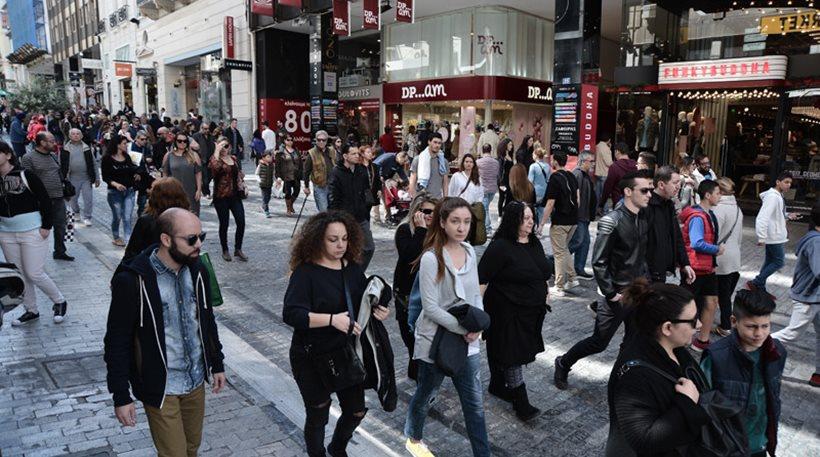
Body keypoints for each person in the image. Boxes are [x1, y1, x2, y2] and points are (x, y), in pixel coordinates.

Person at [104, 208, 226, 457]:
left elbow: (206, 320)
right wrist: (121, 395)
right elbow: (117, 341)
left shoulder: (198, 270)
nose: (199, 244)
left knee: (191, 449)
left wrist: (217, 363)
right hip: (162, 387)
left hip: (195, 381)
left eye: (201, 236)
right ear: (166, 239)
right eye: (191, 239)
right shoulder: (133, 280)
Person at [283, 210, 389, 457]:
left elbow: (362, 301)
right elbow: (291, 314)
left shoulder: (351, 269)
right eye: (333, 239)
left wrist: (378, 310)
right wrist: (332, 320)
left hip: (343, 354)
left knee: (356, 411)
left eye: (344, 238)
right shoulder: (305, 273)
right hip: (310, 356)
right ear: (318, 240)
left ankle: (338, 448)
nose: (341, 245)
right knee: (318, 413)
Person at [404, 197, 490, 457]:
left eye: (466, 222)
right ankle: (413, 437)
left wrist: (479, 326)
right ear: (442, 223)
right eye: (455, 221)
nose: (461, 227)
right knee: (426, 394)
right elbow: (430, 308)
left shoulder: (470, 251)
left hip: (468, 342)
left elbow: (474, 295)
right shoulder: (431, 258)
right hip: (436, 340)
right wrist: (465, 330)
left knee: (474, 406)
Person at [554, 170, 653, 389]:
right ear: (628, 192)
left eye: (650, 190)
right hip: (616, 294)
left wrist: (646, 280)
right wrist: (611, 293)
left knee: (633, 339)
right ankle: (563, 362)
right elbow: (599, 261)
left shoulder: (642, 218)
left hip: (637, 292)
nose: (649, 194)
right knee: (599, 342)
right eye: (644, 190)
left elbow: (640, 255)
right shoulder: (612, 221)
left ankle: (622, 378)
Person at [605, 279, 710, 456]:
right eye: (692, 320)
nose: (699, 325)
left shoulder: (674, 347)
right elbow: (644, 440)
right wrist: (686, 402)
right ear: (667, 328)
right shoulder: (635, 376)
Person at [478, 201, 551, 421]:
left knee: (504, 349)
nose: (531, 222)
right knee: (512, 354)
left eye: (531, 217)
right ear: (513, 220)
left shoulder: (533, 241)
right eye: (525, 218)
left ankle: (497, 384)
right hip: (506, 310)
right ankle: (521, 402)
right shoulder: (500, 247)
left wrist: (545, 290)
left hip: (531, 311)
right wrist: (477, 313)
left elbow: (541, 270)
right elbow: (482, 279)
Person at [701, 289, 786, 457]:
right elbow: (703, 406)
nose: (759, 333)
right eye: (751, 326)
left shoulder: (777, 352)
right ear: (734, 321)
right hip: (727, 447)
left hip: (760, 444)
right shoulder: (716, 357)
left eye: (765, 326)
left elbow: (773, 397)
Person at [0, 141, 68, 326]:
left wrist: (46, 226)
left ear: (8, 155)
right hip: (6, 233)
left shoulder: (25, 174)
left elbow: (45, 199)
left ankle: (59, 300)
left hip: (32, 231)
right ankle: (31, 310)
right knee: (20, 274)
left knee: (34, 272)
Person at [772, 202, 820, 387]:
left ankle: (818, 374)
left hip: (813, 296)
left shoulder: (814, 238)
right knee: (792, 334)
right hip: (808, 297)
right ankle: (750, 344)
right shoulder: (815, 241)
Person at [394, 193, 438, 382]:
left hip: (430, 291)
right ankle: (417, 372)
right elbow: (410, 255)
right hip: (406, 291)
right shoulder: (405, 230)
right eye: (426, 211)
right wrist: (421, 230)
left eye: (435, 212)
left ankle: (421, 372)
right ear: (416, 212)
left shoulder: (439, 232)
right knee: (410, 335)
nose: (430, 215)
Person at [679, 180, 724, 352]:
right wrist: (716, 249)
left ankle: (702, 341)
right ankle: (681, 339)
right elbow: (697, 243)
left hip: (707, 268)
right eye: (718, 193)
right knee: (686, 306)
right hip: (695, 268)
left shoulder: (708, 214)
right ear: (707, 195)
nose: (720, 196)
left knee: (712, 302)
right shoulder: (698, 217)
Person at [21, 132, 74, 260]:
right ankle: (34, 254)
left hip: (58, 197)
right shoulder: (28, 158)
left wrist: (65, 191)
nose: (54, 143)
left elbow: (59, 174)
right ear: (42, 142)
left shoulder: (53, 156)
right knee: (38, 228)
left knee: (61, 226)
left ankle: (59, 251)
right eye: (51, 141)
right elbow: (26, 180)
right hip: (40, 200)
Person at [328, 144, 378, 271]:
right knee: (346, 250)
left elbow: (366, 190)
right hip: (344, 218)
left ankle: (356, 273)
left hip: (361, 216)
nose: (357, 156)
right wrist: (335, 218)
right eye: (353, 154)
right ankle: (343, 273)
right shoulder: (336, 172)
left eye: (358, 154)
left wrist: (366, 209)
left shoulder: (361, 170)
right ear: (345, 156)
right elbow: (333, 196)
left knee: (369, 247)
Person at [538, 152, 579, 296]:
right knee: (563, 249)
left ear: (555, 161)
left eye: (552, 159)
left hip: (560, 221)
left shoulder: (554, 178)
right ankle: (572, 278)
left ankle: (559, 286)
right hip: (573, 220)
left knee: (559, 253)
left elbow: (550, 203)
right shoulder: (572, 176)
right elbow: (578, 199)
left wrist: (542, 224)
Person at [645, 166, 694, 285]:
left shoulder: (669, 204)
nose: (678, 186)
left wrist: (685, 263)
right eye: (675, 183)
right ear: (661, 185)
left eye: (679, 183)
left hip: (667, 272)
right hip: (650, 275)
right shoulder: (647, 206)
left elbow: (677, 236)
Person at [123, 177, 190, 263]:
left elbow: (132, 252)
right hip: (180, 265)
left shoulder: (146, 221)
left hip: (151, 265)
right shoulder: (187, 220)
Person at [751, 172, 795, 295]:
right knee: (779, 261)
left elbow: (775, 214)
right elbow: (763, 217)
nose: (788, 185)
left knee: (770, 261)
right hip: (774, 236)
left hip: (775, 234)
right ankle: (756, 282)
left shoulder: (778, 196)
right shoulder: (773, 197)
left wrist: (787, 215)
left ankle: (759, 287)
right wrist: (761, 236)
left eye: (790, 183)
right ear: (778, 182)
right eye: (786, 182)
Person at [713, 177, 744, 337]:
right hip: (734, 257)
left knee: (720, 296)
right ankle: (725, 323)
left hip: (720, 258)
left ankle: (726, 325)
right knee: (725, 295)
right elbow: (739, 237)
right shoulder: (737, 209)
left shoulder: (718, 209)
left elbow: (713, 235)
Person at [209, 137, 246, 262]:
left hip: (235, 196)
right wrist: (216, 151)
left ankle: (238, 248)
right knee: (224, 224)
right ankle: (225, 249)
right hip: (221, 197)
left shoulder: (234, 159)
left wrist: (241, 178)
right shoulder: (215, 159)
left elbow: (237, 174)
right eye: (222, 146)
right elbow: (215, 170)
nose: (224, 149)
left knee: (241, 221)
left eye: (226, 146)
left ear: (230, 146)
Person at [101, 134, 139, 247]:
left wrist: (136, 174)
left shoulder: (127, 156)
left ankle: (128, 241)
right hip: (114, 193)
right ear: (117, 145)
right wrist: (116, 184)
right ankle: (116, 237)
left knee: (127, 217)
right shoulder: (107, 159)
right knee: (117, 216)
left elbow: (132, 170)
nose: (126, 145)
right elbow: (105, 177)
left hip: (129, 191)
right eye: (124, 143)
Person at [64, 128, 100, 227]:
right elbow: (61, 164)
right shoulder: (65, 149)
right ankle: (76, 212)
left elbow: (94, 163)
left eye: (77, 134)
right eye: (73, 134)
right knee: (73, 199)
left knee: (88, 199)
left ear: (81, 136)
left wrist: (97, 178)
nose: (76, 135)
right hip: (72, 178)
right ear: (70, 136)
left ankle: (87, 217)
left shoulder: (87, 148)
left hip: (86, 178)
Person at [569, 152, 597, 279]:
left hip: (585, 216)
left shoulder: (585, 175)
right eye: (591, 161)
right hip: (579, 216)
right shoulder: (578, 174)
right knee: (578, 241)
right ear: (583, 161)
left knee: (585, 242)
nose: (593, 164)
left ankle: (579, 268)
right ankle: (555, 260)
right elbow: (574, 197)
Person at [162, 132, 202, 216]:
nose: (182, 143)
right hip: (173, 192)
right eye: (179, 141)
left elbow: (198, 173)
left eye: (185, 141)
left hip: (191, 191)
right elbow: (165, 173)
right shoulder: (169, 155)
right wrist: (165, 190)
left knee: (191, 216)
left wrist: (199, 190)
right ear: (175, 142)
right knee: (175, 217)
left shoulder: (194, 155)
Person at [303, 130, 336, 212]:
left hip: (332, 185)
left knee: (333, 210)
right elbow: (306, 171)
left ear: (326, 141)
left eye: (323, 140)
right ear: (316, 140)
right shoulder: (312, 153)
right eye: (319, 140)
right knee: (323, 210)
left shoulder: (332, 151)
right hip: (320, 186)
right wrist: (306, 187)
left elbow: (337, 165)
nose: (321, 142)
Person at [409, 132, 449, 199]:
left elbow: (445, 183)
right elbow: (412, 181)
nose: (437, 145)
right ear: (429, 142)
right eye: (435, 142)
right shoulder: (418, 159)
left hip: (437, 199)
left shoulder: (444, 162)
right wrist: (413, 198)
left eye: (439, 143)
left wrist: (445, 200)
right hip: (421, 199)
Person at [599, 143, 637, 211]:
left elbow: (608, 187)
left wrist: (601, 204)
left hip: (619, 202)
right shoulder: (636, 165)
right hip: (634, 201)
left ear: (617, 151)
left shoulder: (614, 167)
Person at [275, 134, 303, 216]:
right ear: (284, 140)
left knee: (297, 191)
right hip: (286, 175)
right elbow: (277, 166)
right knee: (288, 193)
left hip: (296, 175)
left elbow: (300, 163)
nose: (290, 141)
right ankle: (288, 209)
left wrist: (301, 172)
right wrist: (278, 176)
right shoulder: (281, 152)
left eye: (291, 140)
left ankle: (290, 205)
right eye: (288, 140)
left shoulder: (296, 150)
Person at [475, 144, 499, 233]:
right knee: (486, 207)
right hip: (493, 188)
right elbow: (497, 174)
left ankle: (488, 228)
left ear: (482, 151)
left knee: (485, 209)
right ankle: (486, 227)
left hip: (483, 188)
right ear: (491, 150)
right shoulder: (496, 162)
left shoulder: (478, 162)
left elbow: (475, 174)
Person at [528, 147, 551, 224]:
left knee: (532, 211)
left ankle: (533, 227)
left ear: (536, 155)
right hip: (545, 192)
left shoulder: (533, 166)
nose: (532, 155)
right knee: (541, 212)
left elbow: (530, 181)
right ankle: (540, 228)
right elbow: (549, 179)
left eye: (533, 154)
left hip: (535, 192)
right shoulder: (547, 166)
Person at [192, 123, 215, 197]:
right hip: (201, 159)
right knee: (205, 177)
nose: (207, 130)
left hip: (210, 159)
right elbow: (193, 147)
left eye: (208, 129)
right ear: (201, 128)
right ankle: (206, 192)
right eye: (205, 129)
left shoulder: (210, 136)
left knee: (210, 176)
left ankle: (204, 188)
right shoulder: (196, 136)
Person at [496, 138, 515, 218]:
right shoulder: (501, 158)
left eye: (511, 145)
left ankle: (505, 212)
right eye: (510, 144)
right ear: (505, 145)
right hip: (503, 181)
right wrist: (500, 183)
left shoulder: (510, 156)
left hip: (509, 180)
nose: (511, 146)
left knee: (510, 196)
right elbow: (500, 171)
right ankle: (500, 215)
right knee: (502, 197)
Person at [594, 133, 613, 202]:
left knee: (597, 194)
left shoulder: (597, 146)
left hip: (597, 172)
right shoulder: (606, 148)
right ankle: (603, 208)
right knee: (604, 195)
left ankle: (596, 207)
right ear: (609, 140)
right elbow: (609, 163)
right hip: (604, 173)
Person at [257, 150, 275, 218]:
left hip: (269, 184)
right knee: (265, 197)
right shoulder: (260, 165)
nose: (270, 158)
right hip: (263, 184)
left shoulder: (272, 165)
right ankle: (266, 210)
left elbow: (273, 174)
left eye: (271, 157)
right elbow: (257, 174)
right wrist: (260, 180)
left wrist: (276, 181)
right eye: (268, 157)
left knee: (269, 197)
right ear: (263, 158)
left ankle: (263, 206)